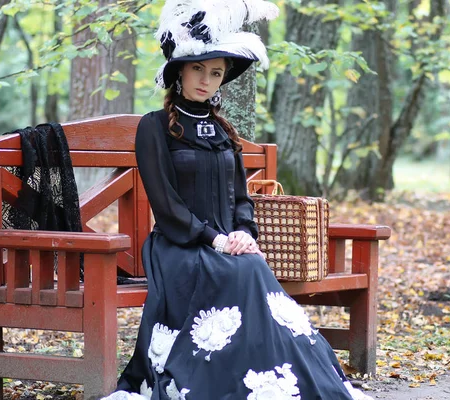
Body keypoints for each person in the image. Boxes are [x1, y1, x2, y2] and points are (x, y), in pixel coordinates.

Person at [103, 1, 374, 399]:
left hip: (229, 244)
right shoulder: (154, 127)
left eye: (215, 73)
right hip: (179, 246)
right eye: (198, 69)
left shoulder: (222, 131)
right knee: (242, 272)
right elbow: (166, 204)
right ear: (180, 70)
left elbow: (241, 199)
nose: (206, 80)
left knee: (250, 266)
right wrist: (215, 239)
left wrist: (246, 234)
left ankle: (277, 379)